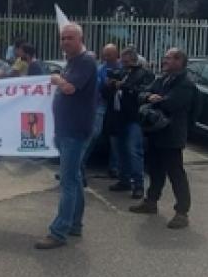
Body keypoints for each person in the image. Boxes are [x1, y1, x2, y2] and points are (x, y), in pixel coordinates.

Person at [35, 24, 98, 250]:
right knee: (74, 179)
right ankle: (74, 224)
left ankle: (58, 232)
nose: (65, 42)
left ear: (80, 39)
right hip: (65, 130)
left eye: (70, 38)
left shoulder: (86, 61)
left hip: (75, 131)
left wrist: (57, 80)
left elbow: (70, 88)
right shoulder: (72, 62)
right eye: (62, 38)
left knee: (68, 181)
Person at [130, 47, 197, 229]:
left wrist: (155, 99)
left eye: (168, 58)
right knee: (155, 170)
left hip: (172, 134)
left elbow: (171, 103)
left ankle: (182, 212)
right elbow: (143, 94)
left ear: (179, 61)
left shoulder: (185, 83)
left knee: (176, 174)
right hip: (156, 132)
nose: (164, 61)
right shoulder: (162, 78)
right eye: (165, 58)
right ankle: (151, 202)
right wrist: (150, 96)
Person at [107, 47, 154, 199]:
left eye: (126, 61)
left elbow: (142, 93)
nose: (124, 64)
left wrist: (124, 86)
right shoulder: (122, 73)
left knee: (134, 151)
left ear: (134, 60)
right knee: (120, 151)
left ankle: (138, 185)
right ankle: (124, 180)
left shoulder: (144, 74)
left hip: (133, 118)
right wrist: (110, 85)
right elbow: (109, 91)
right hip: (118, 117)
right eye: (122, 61)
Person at [83, 43, 121, 177]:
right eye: (104, 54)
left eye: (109, 54)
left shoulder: (123, 68)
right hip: (102, 105)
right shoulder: (100, 69)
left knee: (115, 138)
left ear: (116, 54)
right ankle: (80, 164)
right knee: (94, 133)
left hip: (118, 107)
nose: (106, 57)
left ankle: (115, 167)